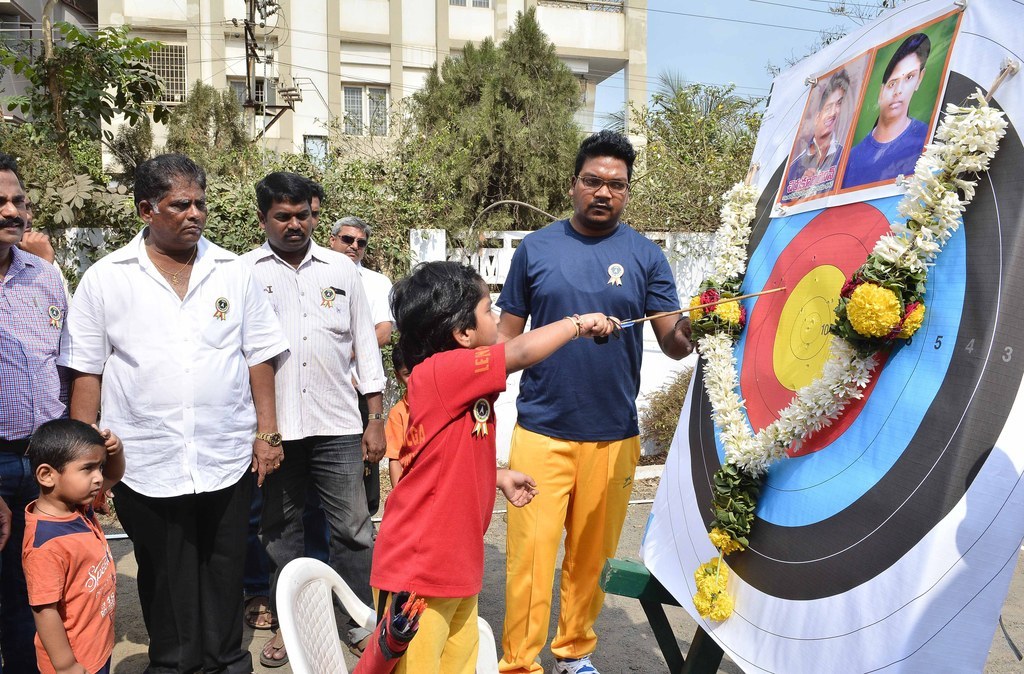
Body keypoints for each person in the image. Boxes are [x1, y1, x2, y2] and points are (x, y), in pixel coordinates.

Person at [60, 153, 289, 673]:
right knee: (165, 577)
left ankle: (227, 662)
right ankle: (173, 664)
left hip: (225, 455)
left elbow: (260, 358)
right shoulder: (106, 279)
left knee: (226, 571)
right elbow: (86, 373)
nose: (195, 214)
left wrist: (268, 435)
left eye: (200, 204)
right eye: (180, 205)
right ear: (146, 209)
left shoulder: (233, 271)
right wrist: (85, 462)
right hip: (145, 462)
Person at [497, 130, 694, 674]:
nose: (603, 192)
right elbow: (504, 345)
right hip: (541, 430)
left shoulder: (646, 255)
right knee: (531, 559)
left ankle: (573, 653)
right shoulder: (536, 249)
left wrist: (703, 320)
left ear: (627, 192)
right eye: (593, 181)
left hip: (614, 435)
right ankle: (519, 663)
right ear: (574, 184)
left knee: (590, 559)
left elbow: (675, 345)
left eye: (616, 184)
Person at [373, 261, 618, 674]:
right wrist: (578, 324)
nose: (498, 318)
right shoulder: (442, 370)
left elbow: (445, 460)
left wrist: (498, 477)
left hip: (457, 568)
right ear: (462, 333)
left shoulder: (458, 382)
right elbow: (520, 351)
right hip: (419, 574)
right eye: (489, 311)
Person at [240, 172, 386, 668]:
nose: (295, 223)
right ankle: (294, 626)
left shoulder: (342, 271)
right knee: (281, 532)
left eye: (303, 214)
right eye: (283, 216)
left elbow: (366, 347)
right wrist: (261, 432)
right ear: (263, 219)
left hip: (338, 426)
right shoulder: (244, 273)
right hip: (276, 431)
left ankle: (355, 622)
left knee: (353, 529)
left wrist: (374, 418)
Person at [0, 152, 65, 671]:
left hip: (42, 460)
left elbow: (64, 365)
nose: (12, 211)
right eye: (0, 202)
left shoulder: (44, 278)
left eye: (18, 200)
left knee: (36, 594)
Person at [23, 419, 125, 674]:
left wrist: (118, 451)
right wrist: (66, 665)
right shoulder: (45, 544)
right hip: (76, 661)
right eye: (88, 468)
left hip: (96, 647)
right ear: (47, 475)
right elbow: (44, 610)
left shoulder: (78, 506)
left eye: (100, 466)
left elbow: (114, 474)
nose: (99, 478)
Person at [330, 216, 394, 516]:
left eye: (361, 243)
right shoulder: (312, 275)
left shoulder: (377, 283)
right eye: (347, 239)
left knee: (366, 458)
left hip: (361, 387)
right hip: (323, 388)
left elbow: (383, 331)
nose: (354, 246)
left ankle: (364, 526)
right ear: (332, 240)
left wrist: (345, 352)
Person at [842, 33, 932, 188]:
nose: (899, 90)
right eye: (892, 83)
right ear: (880, 92)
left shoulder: (928, 141)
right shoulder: (851, 158)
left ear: (920, 79)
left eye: (909, 77)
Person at [781, 69, 851, 202]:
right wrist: (796, 196)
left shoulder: (846, 156)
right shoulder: (794, 166)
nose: (833, 113)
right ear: (817, 116)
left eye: (839, 104)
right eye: (828, 107)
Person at [383, 348, 411, 487]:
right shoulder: (398, 413)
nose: (415, 377)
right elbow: (394, 459)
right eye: (407, 374)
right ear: (398, 376)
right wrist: (398, 498)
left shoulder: (441, 405)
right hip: (412, 487)